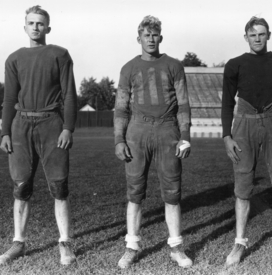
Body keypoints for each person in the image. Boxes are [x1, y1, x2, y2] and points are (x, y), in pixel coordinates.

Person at [221, 16, 272, 270]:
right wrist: (227, 135)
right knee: (243, 184)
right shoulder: (235, 65)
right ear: (245, 37)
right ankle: (239, 242)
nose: (257, 38)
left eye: (261, 34)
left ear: (269, 35)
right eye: (252, 34)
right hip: (244, 123)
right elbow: (226, 102)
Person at [0, 5, 77, 266]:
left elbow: (69, 95)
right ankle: (18, 243)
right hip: (21, 126)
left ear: (48, 28)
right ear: (25, 27)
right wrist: (5, 132)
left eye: (40, 23)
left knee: (59, 186)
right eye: (31, 23)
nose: (35, 27)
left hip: (51, 123)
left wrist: (67, 128)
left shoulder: (60, 54)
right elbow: (9, 98)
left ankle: (65, 242)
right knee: (21, 187)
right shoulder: (14, 58)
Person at [114, 15, 193, 269]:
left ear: (161, 37)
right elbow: (121, 108)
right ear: (139, 39)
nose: (150, 39)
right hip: (137, 130)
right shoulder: (128, 68)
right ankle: (132, 246)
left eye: (154, 34)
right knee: (135, 192)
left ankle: (176, 247)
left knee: (172, 192)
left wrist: (186, 136)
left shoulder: (174, 65)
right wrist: (118, 139)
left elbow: (183, 103)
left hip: (168, 130)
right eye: (146, 35)